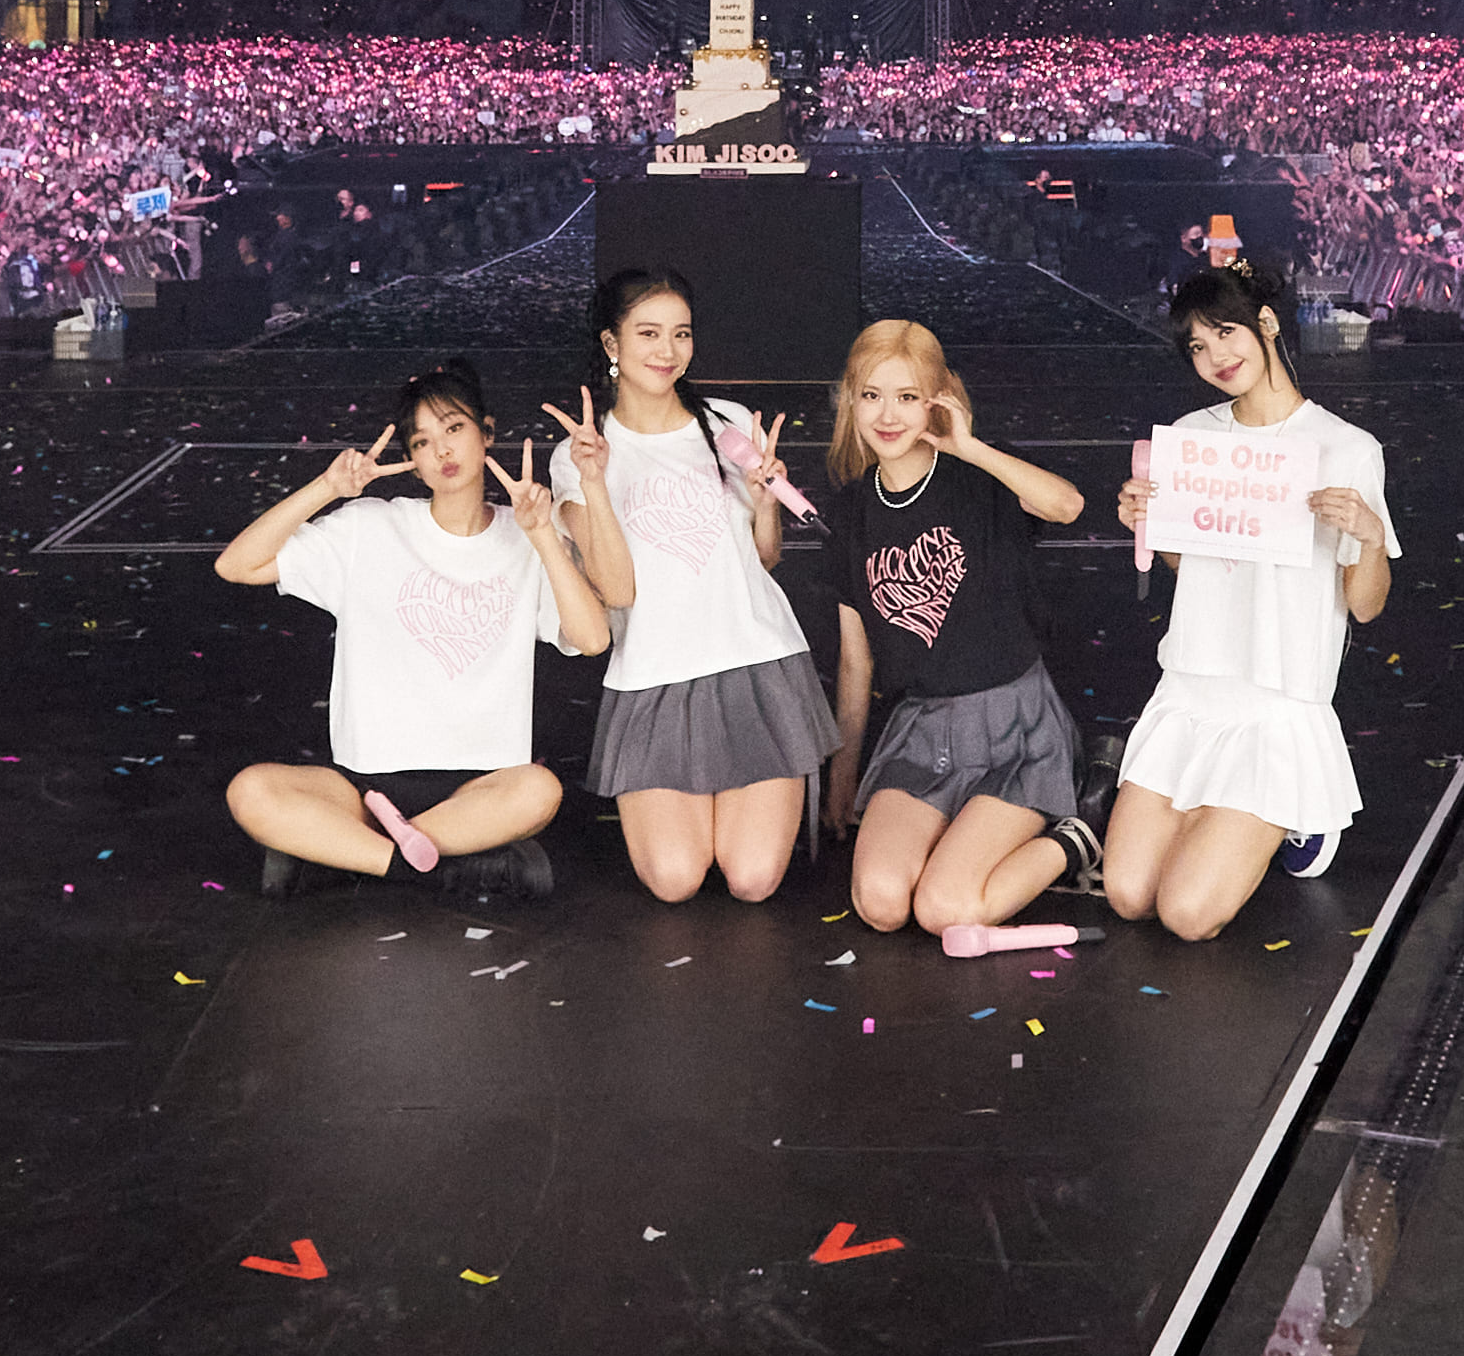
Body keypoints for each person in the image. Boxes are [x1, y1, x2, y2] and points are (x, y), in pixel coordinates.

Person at [214, 359, 611, 898]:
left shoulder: (527, 536)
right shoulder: (369, 527)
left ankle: (356, 854)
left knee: (539, 790)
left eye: (454, 429)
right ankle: (425, 863)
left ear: (486, 433)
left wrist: (543, 536)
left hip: (480, 787)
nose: (443, 450)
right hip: (363, 787)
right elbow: (236, 566)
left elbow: (592, 640)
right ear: (412, 461)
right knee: (252, 791)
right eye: (422, 442)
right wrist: (327, 487)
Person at [1102, 260, 1398, 944]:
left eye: (1225, 333)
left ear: (1266, 324)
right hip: (1190, 690)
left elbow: (1365, 607)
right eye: (1197, 348)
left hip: (1274, 702)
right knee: (1126, 895)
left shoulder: (1346, 449)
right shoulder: (1192, 435)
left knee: (1186, 914)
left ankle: (1297, 811)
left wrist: (1370, 536)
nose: (1215, 358)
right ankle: (1227, 823)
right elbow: (1185, 562)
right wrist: (1144, 519)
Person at [546, 268, 840, 904]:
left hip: (756, 663)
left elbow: (763, 558)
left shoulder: (727, 421)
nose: (667, 351)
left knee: (754, 878)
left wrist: (764, 499)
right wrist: (594, 482)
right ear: (611, 344)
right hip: (653, 677)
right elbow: (614, 588)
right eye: (648, 333)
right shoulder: (581, 453)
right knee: (675, 879)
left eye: (681, 334)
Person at [819, 318, 1097, 946]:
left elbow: (1067, 505)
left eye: (907, 397)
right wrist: (843, 779)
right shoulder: (852, 511)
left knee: (945, 909)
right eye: (871, 396)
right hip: (921, 733)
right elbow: (857, 661)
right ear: (851, 401)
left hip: (1014, 731)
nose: (888, 415)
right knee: (882, 902)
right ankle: (958, 833)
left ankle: (1073, 840)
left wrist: (968, 448)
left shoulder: (979, 481)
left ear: (936, 400)